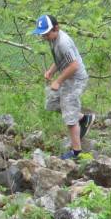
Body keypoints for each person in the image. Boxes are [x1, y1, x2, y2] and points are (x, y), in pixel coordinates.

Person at [33, 14, 94, 160]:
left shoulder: (63, 43)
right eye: (42, 34)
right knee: (51, 103)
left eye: (46, 34)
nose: (44, 37)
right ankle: (83, 119)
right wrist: (51, 71)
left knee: (69, 115)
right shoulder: (53, 39)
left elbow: (74, 65)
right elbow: (60, 60)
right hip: (68, 78)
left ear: (56, 28)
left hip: (76, 79)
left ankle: (76, 152)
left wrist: (58, 81)